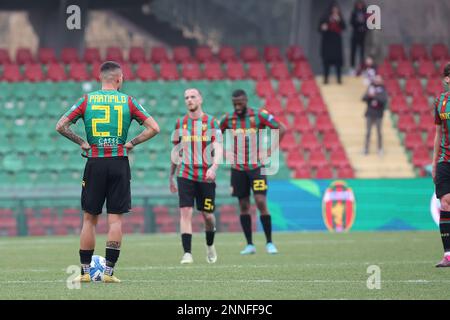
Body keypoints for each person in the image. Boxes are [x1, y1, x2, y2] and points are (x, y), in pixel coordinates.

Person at [56, 61, 160, 283]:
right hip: (118, 162)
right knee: (115, 220)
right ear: (120, 79)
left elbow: (61, 125)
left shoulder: (87, 100)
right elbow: (154, 128)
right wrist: (131, 143)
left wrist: (82, 142)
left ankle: (84, 273)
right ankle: (109, 274)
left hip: (95, 162)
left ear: (100, 78)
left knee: (89, 219)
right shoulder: (128, 101)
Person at [219, 89, 286, 255]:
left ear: (246, 100)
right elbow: (216, 136)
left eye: (240, 102)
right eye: (235, 103)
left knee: (260, 201)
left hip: (257, 168)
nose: (237, 105)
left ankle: (269, 242)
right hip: (238, 169)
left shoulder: (259, 115)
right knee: (243, 205)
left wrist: (270, 151)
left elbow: (281, 128)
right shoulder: (228, 119)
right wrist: (225, 152)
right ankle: (250, 245)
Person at [169, 88, 221, 264]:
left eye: (192, 97)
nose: (189, 100)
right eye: (186, 98)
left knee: (207, 215)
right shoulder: (180, 123)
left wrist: (214, 167)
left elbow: (219, 148)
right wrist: (171, 176)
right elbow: (176, 151)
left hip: (206, 175)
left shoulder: (212, 122)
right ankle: (187, 253)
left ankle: (210, 245)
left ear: (200, 99)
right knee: (185, 212)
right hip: (185, 174)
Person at [432, 62, 450, 267]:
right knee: (445, 202)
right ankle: (448, 254)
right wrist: (434, 162)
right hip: (445, 159)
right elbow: (438, 134)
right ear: (447, 79)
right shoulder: (440, 102)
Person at [319, 2, 346, 84]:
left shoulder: (339, 18)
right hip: (327, 42)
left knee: (338, 62)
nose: (335, 11)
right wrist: (324, 27)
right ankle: (326, 79)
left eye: (336, 10)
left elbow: (344, 27)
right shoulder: (325, 17)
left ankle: (339, 79)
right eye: (333, 10)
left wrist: (339, 20)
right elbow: (319, 28)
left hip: (337, 43)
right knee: (326, 62)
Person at [362, 75, 387, 156]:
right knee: (368, 132)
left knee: (379, 132)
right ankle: (366, 148)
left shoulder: (383, 90)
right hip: (370, 113)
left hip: (378, 114)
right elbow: (363, 98)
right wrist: (369, 95)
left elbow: (384, 100)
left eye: (378, 79)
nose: (377, 81)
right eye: (376, 79)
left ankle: (380, 148)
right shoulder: (370, 88)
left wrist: (375, 96)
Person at [350, 0, 368, 75]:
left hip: (363, 36)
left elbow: (369, 24)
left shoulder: (366, 13)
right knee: (353, 52)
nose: (360, 5)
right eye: (358, 4)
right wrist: (358, 23)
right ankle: (352, 68)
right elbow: (351, 22)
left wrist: (364, 26)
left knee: (362, 53)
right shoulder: (354, 12)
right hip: (355, 35)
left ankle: (363, 69)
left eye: (361, 4)